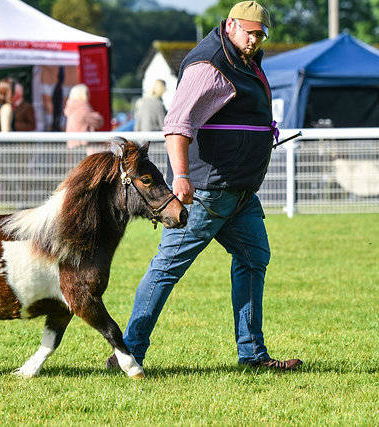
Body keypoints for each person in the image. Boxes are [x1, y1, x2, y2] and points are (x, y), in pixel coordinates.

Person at [108, 1, 303, 372]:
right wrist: (181, 178)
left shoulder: (245, 57)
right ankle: (127, 353)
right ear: (231, 24)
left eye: (261, 36)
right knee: (167, 268)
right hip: (206, 192)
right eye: (250, 33)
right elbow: (177, 124)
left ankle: (252, 355)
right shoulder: (209, 65)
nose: (256, 41)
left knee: (253, 257)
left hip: (240, 191)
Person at [64, 83, 103, 154]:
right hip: (84, 147)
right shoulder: (84, 109)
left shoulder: (70, 107)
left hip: (72, 146)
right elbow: (99, 122)